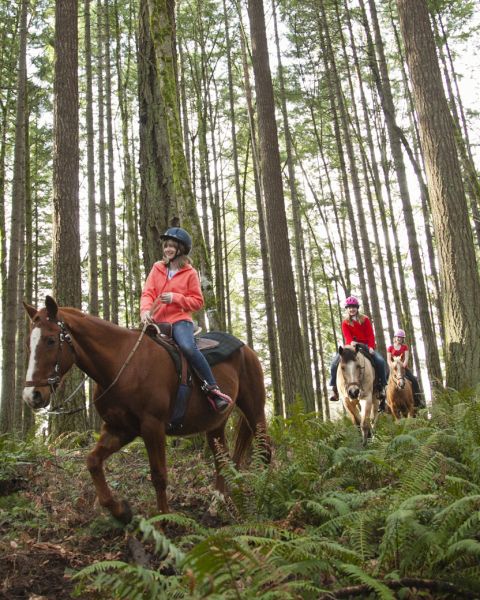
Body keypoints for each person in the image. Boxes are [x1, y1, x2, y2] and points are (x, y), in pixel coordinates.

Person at [140, 227, 232, 413]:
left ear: (181, 249)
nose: (168, 249)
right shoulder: (157, 268)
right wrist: (145, 311)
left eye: (172, 246)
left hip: (180, 321)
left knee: (188, 348)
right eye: (166, 246)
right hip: (157, 322)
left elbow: (197, 302)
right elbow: (148, 293)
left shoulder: (190, 273)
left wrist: (176, 298)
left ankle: (213, 389)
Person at [329, 296, 388, 409]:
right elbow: (347, 336)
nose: (352, 309)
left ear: (357, 308)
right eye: (350, 308)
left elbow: (370, 334)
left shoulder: (365, 319)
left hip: (365, 345)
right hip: (351, 346)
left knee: (380, 361)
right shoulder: (345, 322)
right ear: (347, 309)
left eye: (354, 307)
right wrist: (352, 342)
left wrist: (371, 347)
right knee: (333, 364)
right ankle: (334, 389)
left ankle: (382, 387)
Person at [387, 329, 424, 408]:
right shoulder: (390, 348)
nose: (399, 339)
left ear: (403, 339)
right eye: (398, 337)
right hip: (393, 369)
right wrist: (392, 366)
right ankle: (385, 402)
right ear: (395, 337)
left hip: (403, 368)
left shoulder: (405, 347)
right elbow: (389, 359)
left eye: (401, 337)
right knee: (385, 382)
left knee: (413, 380)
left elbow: (406, 358)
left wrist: (403, 365)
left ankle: (418, 399)